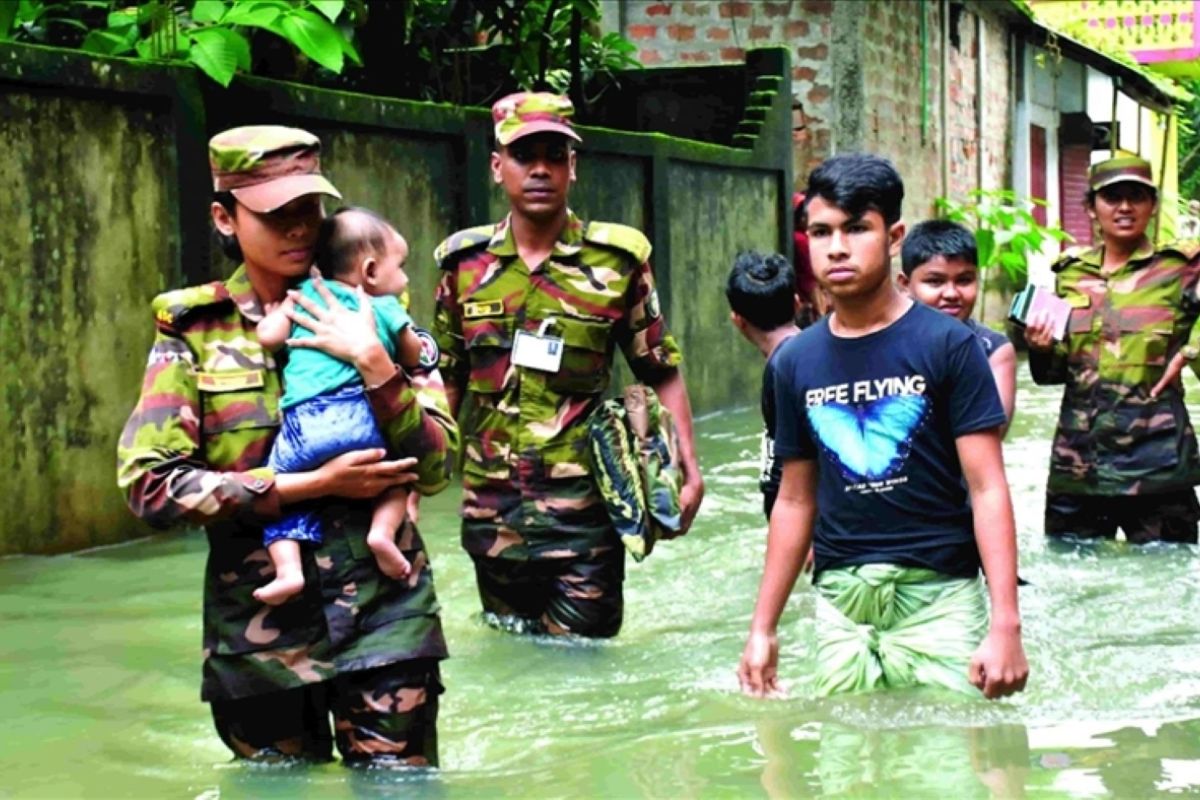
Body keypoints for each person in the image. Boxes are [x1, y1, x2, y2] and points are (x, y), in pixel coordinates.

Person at [117, 126, 458, 766]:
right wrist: (303, 488)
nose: (300, 227)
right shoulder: (194, 330)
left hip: (387, 617)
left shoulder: (376, 302)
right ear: (225, 217)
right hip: (259, 634)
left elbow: (439, 465)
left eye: (309, 207)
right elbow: (149, 485)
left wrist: (377, 366)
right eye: (276, 213)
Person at [737, 153, 1027, 699]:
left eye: (856, 229)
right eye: (821, 232)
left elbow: (989, 487)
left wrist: (1005, 623)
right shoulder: (795, 363)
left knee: (949, 765)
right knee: (845, 767)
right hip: (841, 603)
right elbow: (795, 500)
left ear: (893, 235)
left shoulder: (949, 345)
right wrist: (762, 628)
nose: (837, 247)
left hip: (940, 594)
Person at [430, 92, 704, 638]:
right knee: (512, 659)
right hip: (492, 514)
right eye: (523, 155)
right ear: (496, 167)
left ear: (572, 167)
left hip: (588, 517)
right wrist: (416, 487)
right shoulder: (463, 267)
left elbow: (659, 368)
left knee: (582, 667)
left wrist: (685, 469)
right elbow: (446, 382)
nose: (539, 169)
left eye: (555, 155)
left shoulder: (617, 263)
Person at [253, 207, 430, 605]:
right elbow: (415, 352)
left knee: (276, 490)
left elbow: (267, 337)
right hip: (359, 415)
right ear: (370, 271)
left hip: (303, 424)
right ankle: (381, 535)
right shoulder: (381, 303)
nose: (403, 278)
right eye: (400, 267)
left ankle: (288, 570)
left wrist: (275, 314)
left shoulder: (304, 296)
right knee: (398, 475)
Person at [1026, 154, 1200, 544]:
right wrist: (1037, 349)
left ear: (1152, 206)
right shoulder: (1068, 275)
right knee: (1075, 587)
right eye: (1112, 197)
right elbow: (1051, 374)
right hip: (1078, 467)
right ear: (1090, 208)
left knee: (1165, 588)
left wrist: (1192, 348)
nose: (1124, 207)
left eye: (1136, 196)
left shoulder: (1180, 269)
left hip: (1159, 468)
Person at [899, 219, 1017, 434]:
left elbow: (992, 432)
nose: (952, 294)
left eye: (964, 280)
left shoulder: (993, 349)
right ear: (905, 285)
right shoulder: (887, 344)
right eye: (935, 281)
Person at [725, 250, 801, 518]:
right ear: (797, 304)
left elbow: (784, 467)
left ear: (738, 321)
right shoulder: (814, 352)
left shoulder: (781, 367)